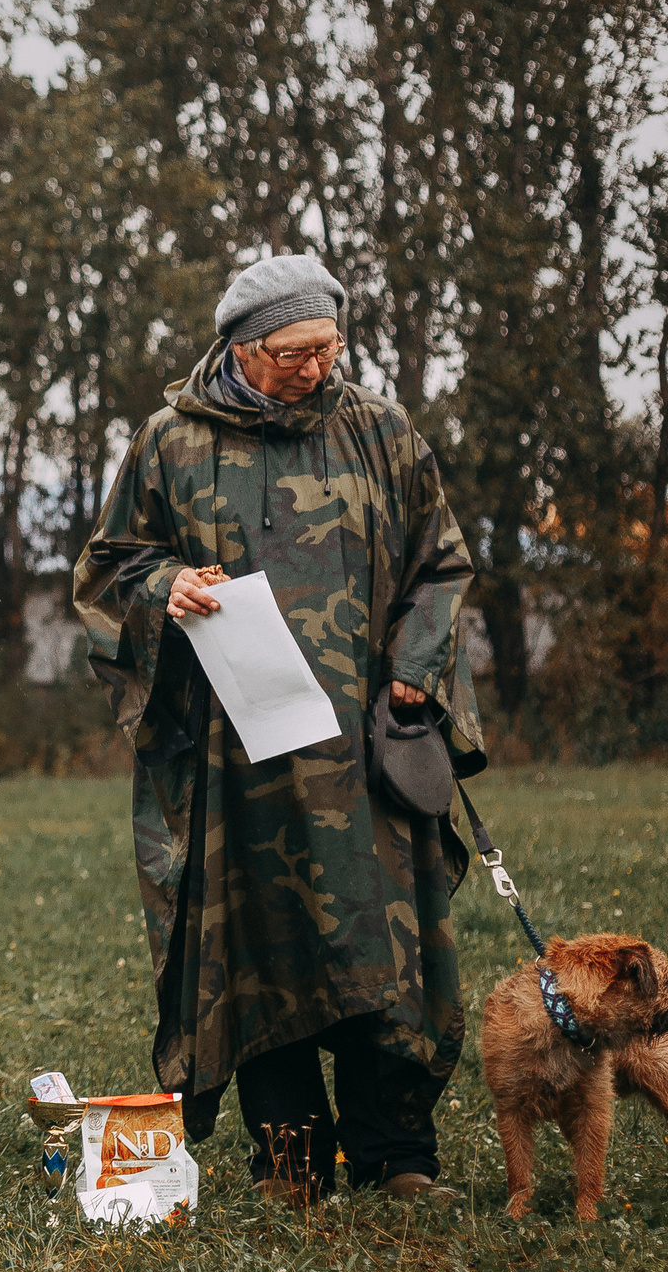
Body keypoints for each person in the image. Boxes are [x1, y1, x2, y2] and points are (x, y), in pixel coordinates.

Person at [72, 252, 483, 1205]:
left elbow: (443, 564)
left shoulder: (380, 429)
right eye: (295, 352)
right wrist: (161, 586)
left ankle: (400, 1160)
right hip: (235, 758)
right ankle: (290, 1164)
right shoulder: (171, 441)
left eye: (328, 347)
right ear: (243, 351)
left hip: (367, 751)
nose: (316, 367)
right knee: (260, 953)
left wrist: (420, 673)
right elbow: (108, 568)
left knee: (385, 953)